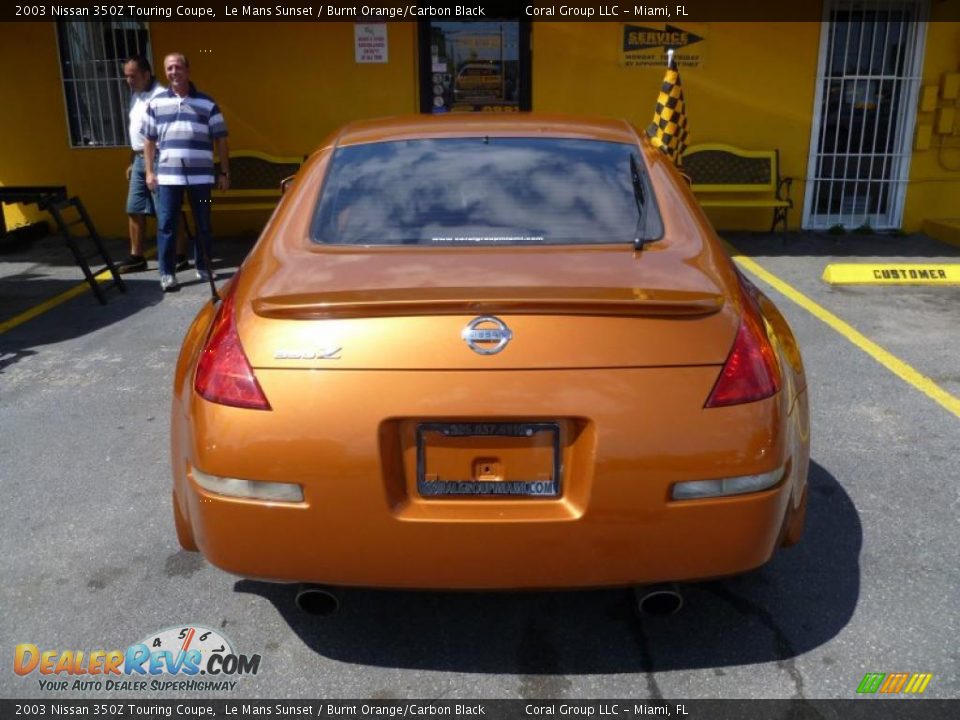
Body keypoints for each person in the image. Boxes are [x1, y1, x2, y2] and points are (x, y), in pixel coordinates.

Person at [143, 52, 229, 292]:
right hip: (169, 179)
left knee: (203, 223)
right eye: (169, 68)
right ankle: (167, 273)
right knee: (167, 224)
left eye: (178, 67)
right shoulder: (156, 103)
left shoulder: (208, 104)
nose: (174, 72)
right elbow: (148, 141)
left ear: (187, 70)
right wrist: (150, 172)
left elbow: (221, 139)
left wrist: (224, 172)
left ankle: (203, 266)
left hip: (201, 179)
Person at [117, 55, 188, 275]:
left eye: (133, 76)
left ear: (146, 74)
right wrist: (133, 160)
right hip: (139, 158)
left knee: (167, 209)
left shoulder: (162, 96)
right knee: (134, 207)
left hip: (160, 157)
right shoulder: (136, 96)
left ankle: (179, 254)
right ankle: (137, 256)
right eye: (126, 76)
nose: (129, 81)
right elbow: (138, 132)